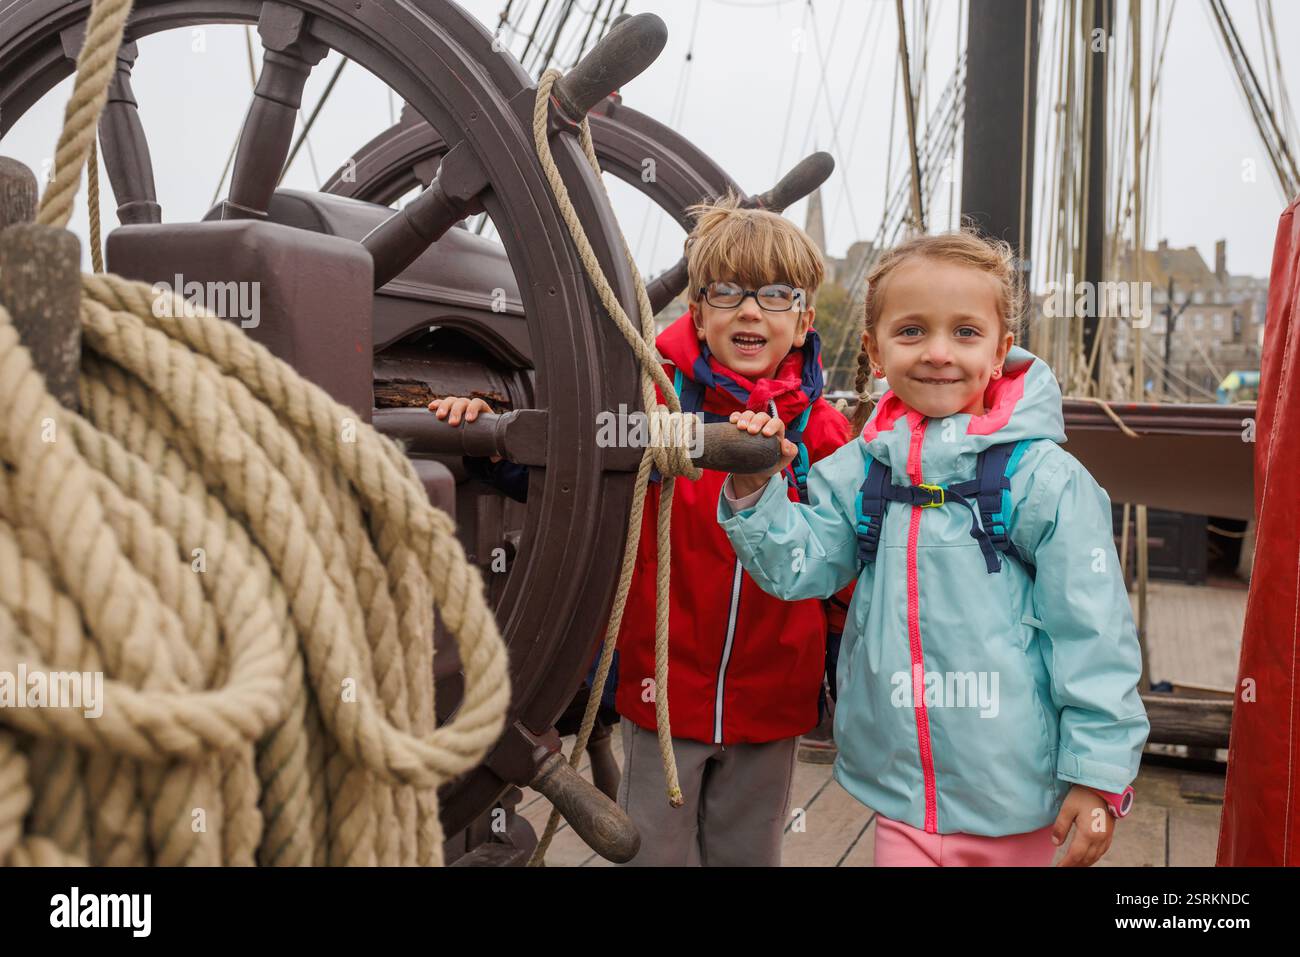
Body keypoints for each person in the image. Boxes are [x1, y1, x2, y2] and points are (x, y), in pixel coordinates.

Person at [430, 192, 853, 865]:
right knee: (657, 853)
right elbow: (576, 480)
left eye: (776, 295)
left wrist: (840, 671)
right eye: (727, 292)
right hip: (663, 694)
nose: (750, 309)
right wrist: (487, 432)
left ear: (802, 322)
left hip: (774, 693)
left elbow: (846, 558)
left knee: (750, 853)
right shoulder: (652, 402)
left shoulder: (823, 434)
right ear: (699, 312)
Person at [718, 230, 1149, 867]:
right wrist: (757, 490)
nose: (938, 353)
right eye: (912, 331)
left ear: (1002, 351)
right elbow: (799, 568)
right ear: (874, 348)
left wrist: (1097, 773)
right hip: (901, 794)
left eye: (966, 333)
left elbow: (1093, 636)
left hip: (1017, 797)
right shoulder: (863, 472)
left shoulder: (1043, 483)